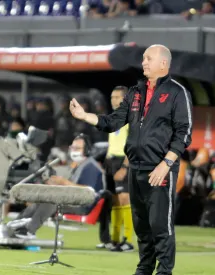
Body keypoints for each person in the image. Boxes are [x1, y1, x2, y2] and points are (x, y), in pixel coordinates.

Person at [70, 44, 192, 275]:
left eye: (149, 58)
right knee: (141, 225)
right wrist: (85, 116)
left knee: (160, 225)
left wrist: (166, 165)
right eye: (144, 58)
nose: (144, 62)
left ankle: (164, 271)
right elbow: (114, 121)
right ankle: (144, 268)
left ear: (163, 63)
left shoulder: (178, 93)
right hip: (136, 168)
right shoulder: (136, 91)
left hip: (160, 170)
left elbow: (184, 133)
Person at [12, 134, 113, 245]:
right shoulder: (80, 165)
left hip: (83, 205)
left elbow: (89, 192)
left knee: (53, 200)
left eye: (77, 148)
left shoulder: (91, 167)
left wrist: (64, 182)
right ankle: (15, 226)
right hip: (74, 201)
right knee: (42, 199)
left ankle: (29, 231)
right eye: (72, 147)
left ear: (87, 150)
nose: (73, 151)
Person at [99, 86, 134, 252]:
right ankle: (114, 239)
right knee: (113, 200)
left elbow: (132, 145)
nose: (113, 100)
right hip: (111, 161)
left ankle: (127, 240)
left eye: (117, 97)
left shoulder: (131, 117)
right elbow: (114, 140)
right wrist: (106, 158)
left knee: (125, 199)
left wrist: (125, 167)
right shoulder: (114, 117)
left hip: (123, 161)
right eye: (112, 97)